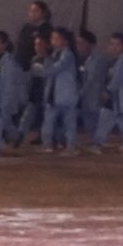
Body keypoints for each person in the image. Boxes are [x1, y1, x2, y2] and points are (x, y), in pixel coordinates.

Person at [42, 26, 81, 154]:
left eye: (57, 38)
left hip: (66, 95)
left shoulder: (68, 55)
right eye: (52, 38)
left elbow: (55, 69)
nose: (53, 41)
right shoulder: (54, 55)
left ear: (66, 41)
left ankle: (70, 146)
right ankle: (47, 144)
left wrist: (42, 69)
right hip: (53, 95)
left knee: (69, 123)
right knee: (48, 121)